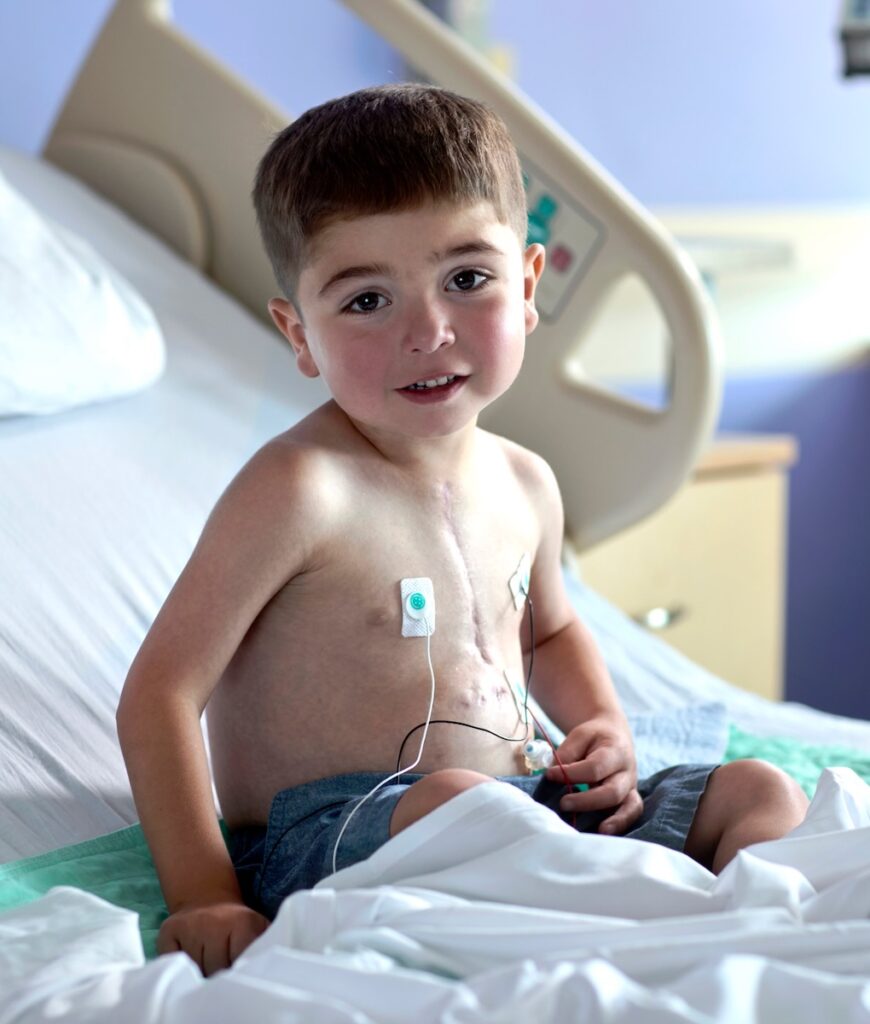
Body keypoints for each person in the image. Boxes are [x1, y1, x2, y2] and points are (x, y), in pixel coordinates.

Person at [116, 84, 808, 977]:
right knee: (461, 805)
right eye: (366, 300)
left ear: (525, 287)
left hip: (526, 804)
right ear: (299, 334)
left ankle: (734, 924)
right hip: (350, 832)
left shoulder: (526, 482)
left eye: (467, 280)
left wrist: (600, 728)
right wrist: (205, 893)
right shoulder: (299, 488)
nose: (428, 330)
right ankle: (641, 914)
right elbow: (161, 693)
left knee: (759, 789)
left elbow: (549, 630)